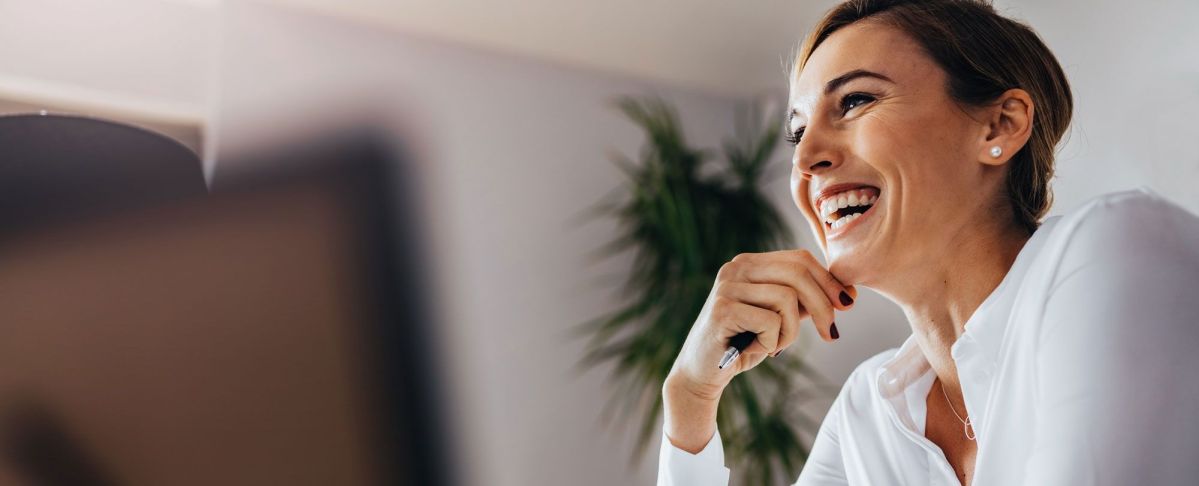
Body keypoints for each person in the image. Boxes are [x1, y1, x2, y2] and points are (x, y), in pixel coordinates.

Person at [656, 1, 1199, 485]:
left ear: (999, 127)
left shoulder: (1119, 249)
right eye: (798, 132)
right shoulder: (868, 411)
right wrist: (689, 400)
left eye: (855, 101)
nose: (804, 160)